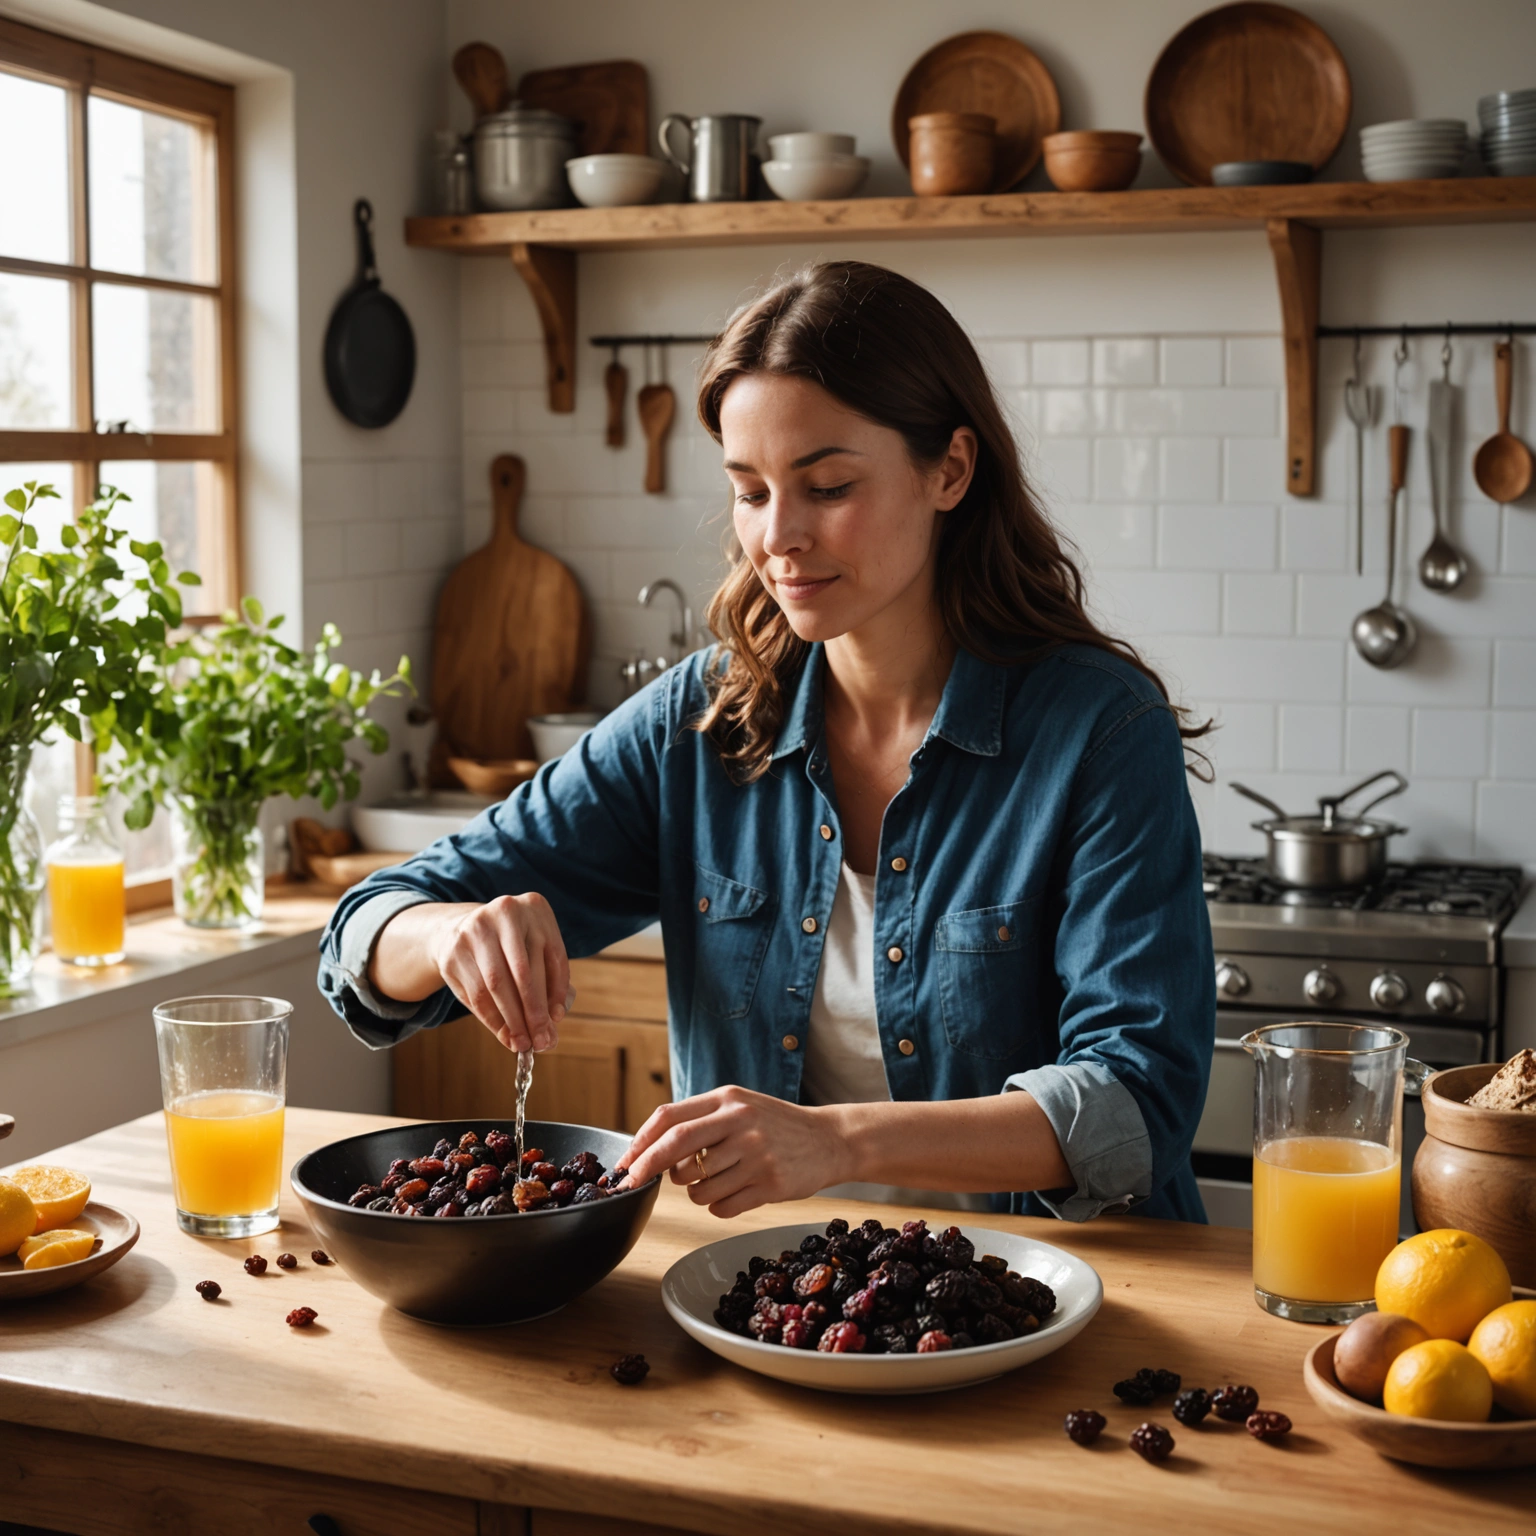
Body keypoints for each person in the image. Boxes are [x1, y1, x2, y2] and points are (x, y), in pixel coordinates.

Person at [319, 260, 1214, 1224]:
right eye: (750, 492)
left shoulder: (1101, 730)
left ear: (950, 469)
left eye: (826, 486)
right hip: (777, 1306)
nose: (778, 536)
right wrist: (449, 933)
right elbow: (365, 928)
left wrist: (836, 1141)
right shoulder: (697, 724)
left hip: (1058, 1306)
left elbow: (1137, 1101)